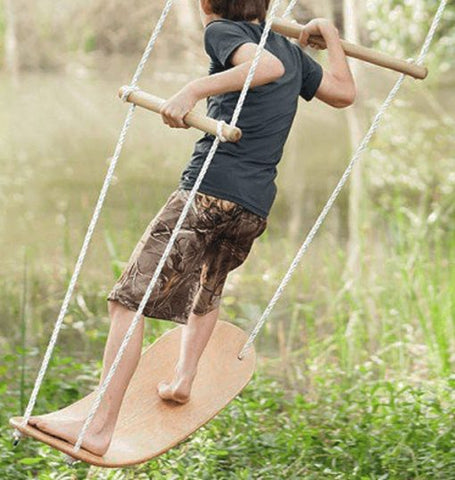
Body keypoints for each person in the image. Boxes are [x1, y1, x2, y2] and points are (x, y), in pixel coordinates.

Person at [28, 0, 355, 456]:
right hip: (253, 205)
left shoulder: (223, 31)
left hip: (208, 188)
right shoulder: (293, 51)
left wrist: (194, 88)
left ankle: (99, 425)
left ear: (207, 6)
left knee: (128, 301)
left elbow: (263, 66)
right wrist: (330, 35)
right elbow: (343, 92)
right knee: (208, 285)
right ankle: (182, 379)